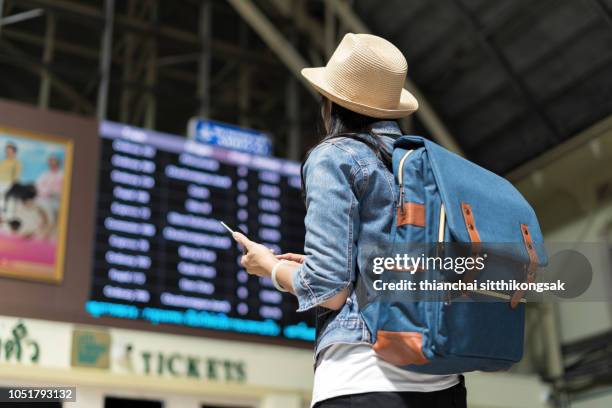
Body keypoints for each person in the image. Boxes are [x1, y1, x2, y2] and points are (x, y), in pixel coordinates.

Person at [234, 33, 467, 408]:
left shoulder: (336, 156)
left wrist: (271, 269)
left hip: (363, 378)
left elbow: (330, 290)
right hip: (445, 383)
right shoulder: (428, 164)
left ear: (332, 103)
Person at [0, 142, 22, 214]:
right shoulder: (2, 162)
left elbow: (16, 177)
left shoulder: (17, 162)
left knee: (7, 205)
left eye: (10, 151)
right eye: (6, 151)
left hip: (9, 185)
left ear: (14, 152)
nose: (8, 152)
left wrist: (12, 188)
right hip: (0, 184)